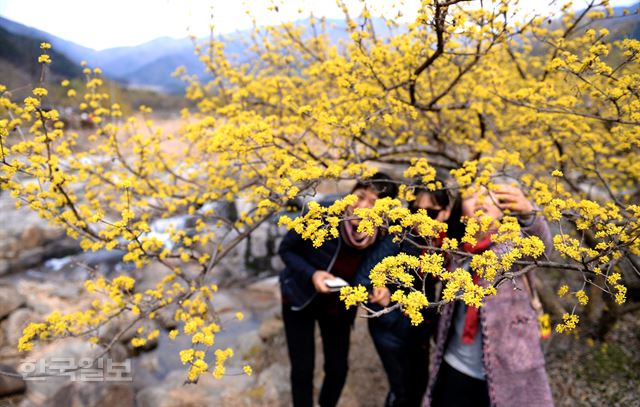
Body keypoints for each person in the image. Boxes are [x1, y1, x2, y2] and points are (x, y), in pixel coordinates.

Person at [426, 182, 554, 407]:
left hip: (508, 373)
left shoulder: (515, 247)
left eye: (489, 194)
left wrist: (528, 213)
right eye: (470, 196)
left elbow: (542, 248)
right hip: (454, 365)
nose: (480, 201)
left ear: (503, 205)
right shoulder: (458, 251)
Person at [279, 172, 399, 407]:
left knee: (337, 369)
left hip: (339, 307)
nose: (362, 206)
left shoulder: (383, 236)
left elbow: (382, 268)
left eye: (373, 203)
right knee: (303, 368)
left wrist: (381, 286)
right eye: (360, 196)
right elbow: (286, 250)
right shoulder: (324, 214)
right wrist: (312, 274)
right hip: (300, 297)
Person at [353, 177, 463, 407]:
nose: (421, 219)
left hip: (419, 328)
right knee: (402, 390)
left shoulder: (446, 242)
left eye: (430, 213)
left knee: (419, 385)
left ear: (445, 212)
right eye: (415, 210)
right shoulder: (400, 238)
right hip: (391, 329)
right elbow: (362, 280)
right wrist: (383, 297)